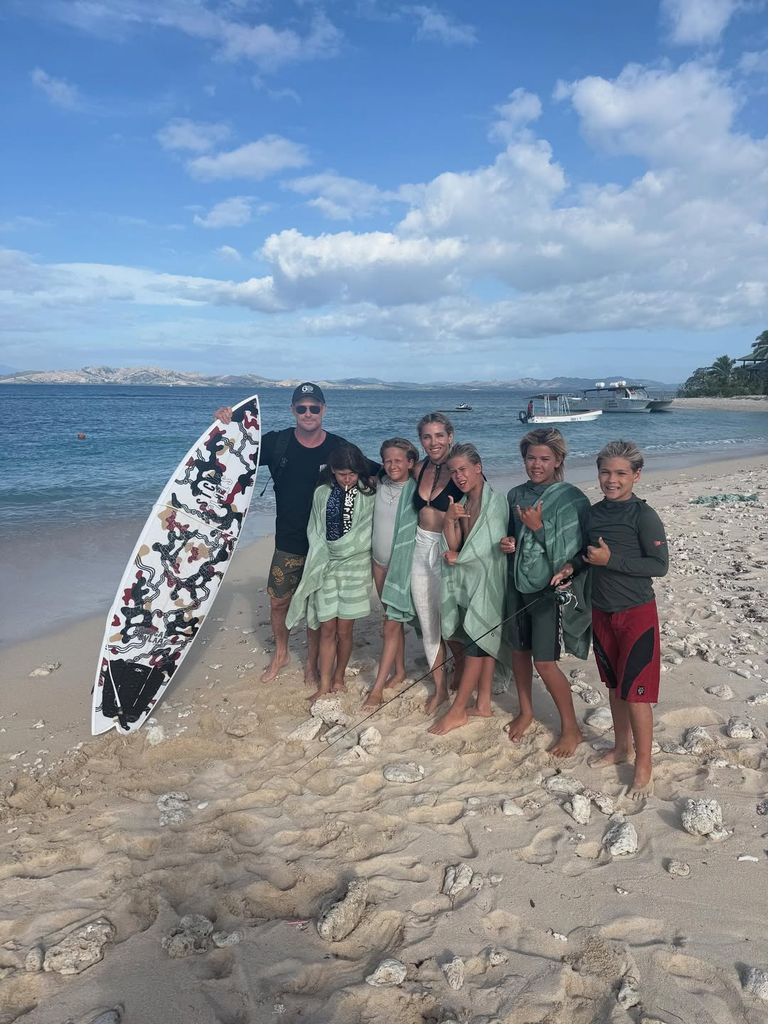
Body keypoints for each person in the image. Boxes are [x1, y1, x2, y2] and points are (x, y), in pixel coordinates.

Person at [215, 384, 370, 686]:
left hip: (323, 545)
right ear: (293, 410)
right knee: (278, 602)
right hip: (288, 539)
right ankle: (282, 653)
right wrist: (227, 422)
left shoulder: (338, 448)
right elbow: (236, 453)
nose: (308, 413)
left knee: (314, 606)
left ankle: (311, 664)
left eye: (314, 407)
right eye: (302, 408)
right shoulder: (278, 443)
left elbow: (375, 472)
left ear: (324, 410)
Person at [551, 440, 668, 798]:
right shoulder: (594, 513)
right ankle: (621, 748)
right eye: (605, 472)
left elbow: (659, 566)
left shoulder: (643, 516)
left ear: (636, 475)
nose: (611, 480)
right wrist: (573, 566)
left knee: (637, 695)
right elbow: (589, 554)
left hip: (637, 614)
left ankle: (644, 761)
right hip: (602, 612)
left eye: (620, 473)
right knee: (615, 688)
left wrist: (610, 561)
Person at [500, 427, 591, 757]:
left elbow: (574, 555)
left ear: (558, 461)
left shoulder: (572, 498)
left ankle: (571, 728)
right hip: (517, 584)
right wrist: (507, 543)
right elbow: (510, 537)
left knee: (545, 661)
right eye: (530, 458)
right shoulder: (515, 495)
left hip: (547, 591)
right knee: (518, 653)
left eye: (544, 459)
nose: (536, 465)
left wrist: (539, 530)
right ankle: (526, 711)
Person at [428, 444, 510, 735]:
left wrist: (461, 558)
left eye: (463, 469)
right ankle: (484, 703)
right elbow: (454, 545)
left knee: (479, 638)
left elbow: (493, 546)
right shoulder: (462, 503)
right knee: (481, 638)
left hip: (490, 580)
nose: (459, 475)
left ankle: (459, 709)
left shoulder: (497, 503)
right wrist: (450, 519)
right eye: (453, 471)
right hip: (470, 581)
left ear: (479, 467)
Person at [285, 444, 377, 701]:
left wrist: (345, 549)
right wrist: (324, 553)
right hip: (325, 564)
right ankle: (324, 684)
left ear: (359, 471)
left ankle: (338, 678)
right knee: (326, 628)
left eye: (352, 474)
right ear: (332, 471)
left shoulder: (368, 496)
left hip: (355, 567)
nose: (347, 479)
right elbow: (315, 530)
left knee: (345, 630)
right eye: (341, 474)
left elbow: (367, 533)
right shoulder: (322, 493)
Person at [409, 413, 464, 714]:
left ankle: (464, 670)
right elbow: (385, 472)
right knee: (428, 619)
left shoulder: (461, 471)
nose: (434, 442)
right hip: (419, 549)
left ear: (450, 436)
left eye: (439, 435)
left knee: (451, 619)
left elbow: (481, 507)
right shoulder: (420, 468)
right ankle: (440, 687)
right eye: (427, 437)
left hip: (448, 551)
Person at [363, 437, 419, 709]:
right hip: (378, 562)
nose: (393, 465)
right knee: (390, 618)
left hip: (401, 565)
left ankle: (376, 689)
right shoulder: (379, 484)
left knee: (391, 624)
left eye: (399, 460)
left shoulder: (417, 489)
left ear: (411, 463)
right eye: (388, 460)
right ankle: (400, 671)